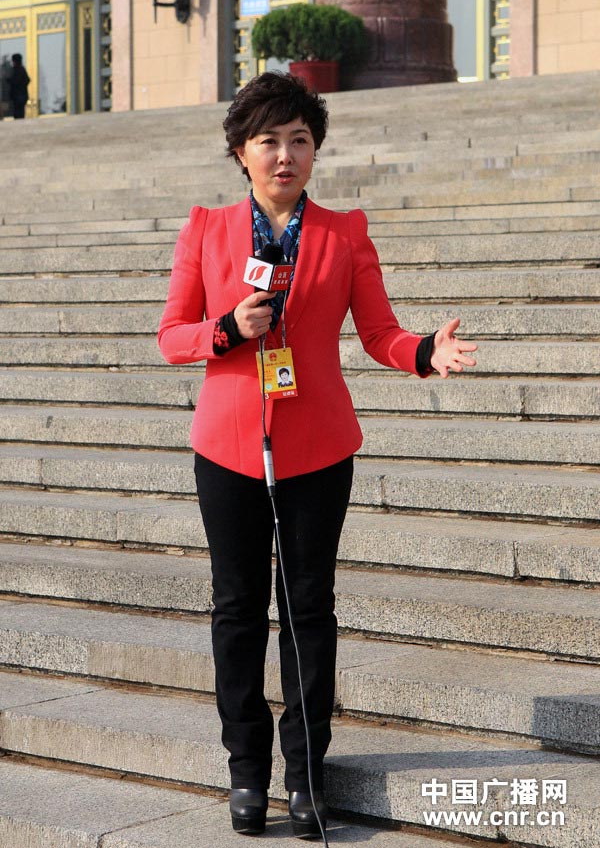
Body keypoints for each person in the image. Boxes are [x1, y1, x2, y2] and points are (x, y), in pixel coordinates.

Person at [157, 71, 477, 839]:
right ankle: (246, 769)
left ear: (315, 151)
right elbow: (173, 337)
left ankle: (305, 775)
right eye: (269, 140)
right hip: (227, 452)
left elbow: (379, 334)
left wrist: (424, 352)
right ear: (241, 151)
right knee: (237, 610)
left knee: (309, 611)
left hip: (318, 452)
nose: (285, 155)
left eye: (300, 140)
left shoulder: (343, 233)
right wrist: (228, 327)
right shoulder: (205, 230)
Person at [8, 54, 30, 120]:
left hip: (19, 96)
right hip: (19, 96)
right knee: (18, 113)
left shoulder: (18, 70)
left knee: (18, 113)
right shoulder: (19, 70)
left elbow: (23, 81)